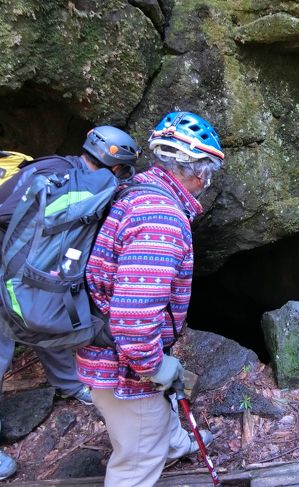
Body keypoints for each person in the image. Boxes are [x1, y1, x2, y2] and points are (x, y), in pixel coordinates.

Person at [75, 111, 224, 487]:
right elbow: (133, 318)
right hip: (121, 365)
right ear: (197, 172)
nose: (207, 182)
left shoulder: (137, 189)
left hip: (108, 346)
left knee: (160, 405)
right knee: (137, 461)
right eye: (208, 172)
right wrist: (153, 366)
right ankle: (155, 450)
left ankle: (173, 443)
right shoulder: (160, 217)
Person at [0, 127, 141, 480]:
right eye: (125, 170)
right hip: (9, 269)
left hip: (24, 268)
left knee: (46, 314)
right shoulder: (73, 184)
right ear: (116, 167)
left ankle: (68, 383)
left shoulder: (51, 170)